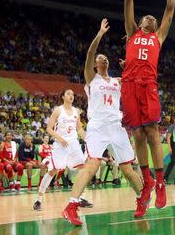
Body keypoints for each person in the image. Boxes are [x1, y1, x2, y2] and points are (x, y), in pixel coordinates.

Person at [60, 19, 143, 225]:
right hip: (97, 126)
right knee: (92, 165)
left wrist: (129, 65)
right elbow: (89, 54)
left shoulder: (117, 81)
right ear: (96, 65)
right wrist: (99, 34)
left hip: (117, 126)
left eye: (105, 57)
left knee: (127, 168)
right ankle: (71, 207)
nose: (102, 58)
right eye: (100, 58)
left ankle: (142, 199)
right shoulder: (91, 78)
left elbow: (136, 75)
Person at [122, 0, 175, 215]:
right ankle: (147, 183)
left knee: (153, 133)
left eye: (153, 18)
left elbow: (170, 7)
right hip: (129, 86)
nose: (152, 18)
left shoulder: (158, 37)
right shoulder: (132, 34)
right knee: (138, 136)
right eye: (147, 17)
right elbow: (128, 0)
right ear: (140, 23)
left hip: (148, 86)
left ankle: (161, 182)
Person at [33, 89, 90, 213]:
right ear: (63, 96)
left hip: (74, 143)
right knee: (53, 171)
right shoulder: (58, 110)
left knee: (83, 169)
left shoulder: (76, 111)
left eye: (73, 94)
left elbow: (79, 129)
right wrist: (60, 138)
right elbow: (49, 129)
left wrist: (87, 139)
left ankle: (81, 198)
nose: (71, 96)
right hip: (60, 144)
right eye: (68, 94)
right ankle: (38, 199)